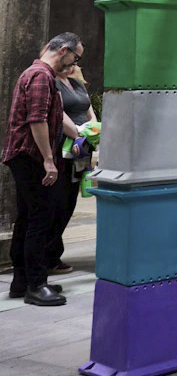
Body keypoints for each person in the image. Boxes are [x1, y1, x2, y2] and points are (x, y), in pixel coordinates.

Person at [4, 32, 82, 306]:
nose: (74, 63)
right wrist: (49, 160)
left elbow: (57, 117)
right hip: (31, 157)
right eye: (75, 56)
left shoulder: (39, 75)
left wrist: (81, 135)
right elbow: (37, 121)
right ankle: (36, 285)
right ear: (63, 50)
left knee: (27, 218)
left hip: (25, 156)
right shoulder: (41, 76)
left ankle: (22, 282)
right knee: (40, 219)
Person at [48, 63, 96, 276]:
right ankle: (48, 254)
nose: (75, 65)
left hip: (82, 147)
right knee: (56, 201)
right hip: (64, 145)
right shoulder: (53, 82)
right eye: (72, 60)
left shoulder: (77, 84)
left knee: (70, 200)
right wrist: (78, 133)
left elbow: (90, 113)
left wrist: (90, 132)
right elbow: (58, 114)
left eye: (77, 61)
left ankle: (53, 252)